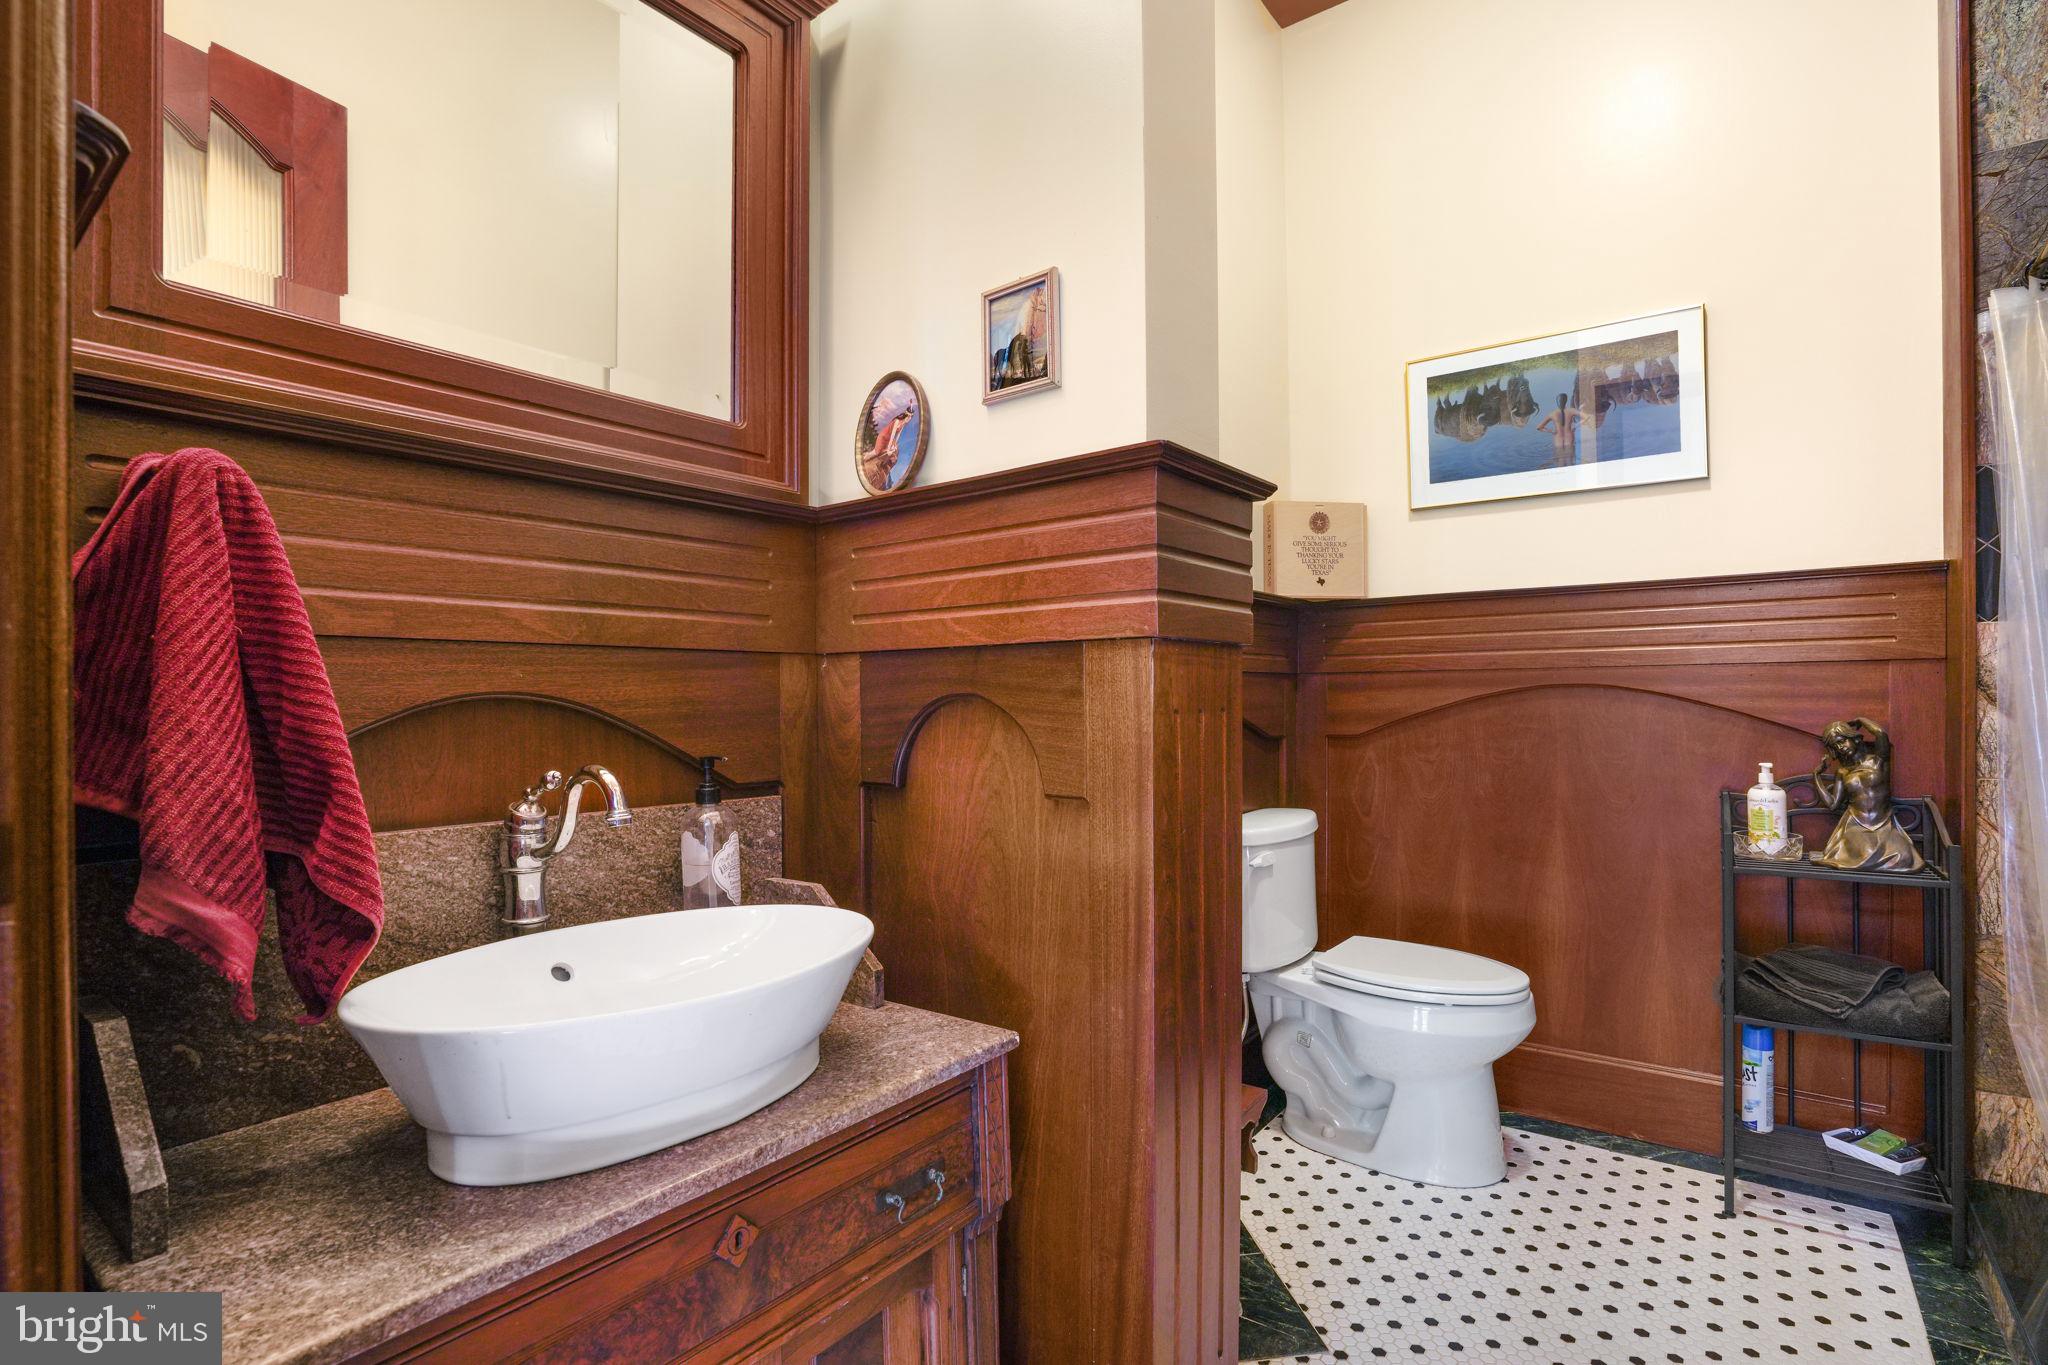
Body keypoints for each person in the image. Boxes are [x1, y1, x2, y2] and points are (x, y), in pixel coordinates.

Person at [1535, 391, 1583, 466]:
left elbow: (1539, 427)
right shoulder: (1571, 411)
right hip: (1569, 437)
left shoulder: (1552, 413)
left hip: (1558, 438)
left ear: (1557, 402)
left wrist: (1551, 431)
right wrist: (1576, 425)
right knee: (1570, 460)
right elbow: (1587, 417)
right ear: (1566, 401)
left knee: (1560, 462)